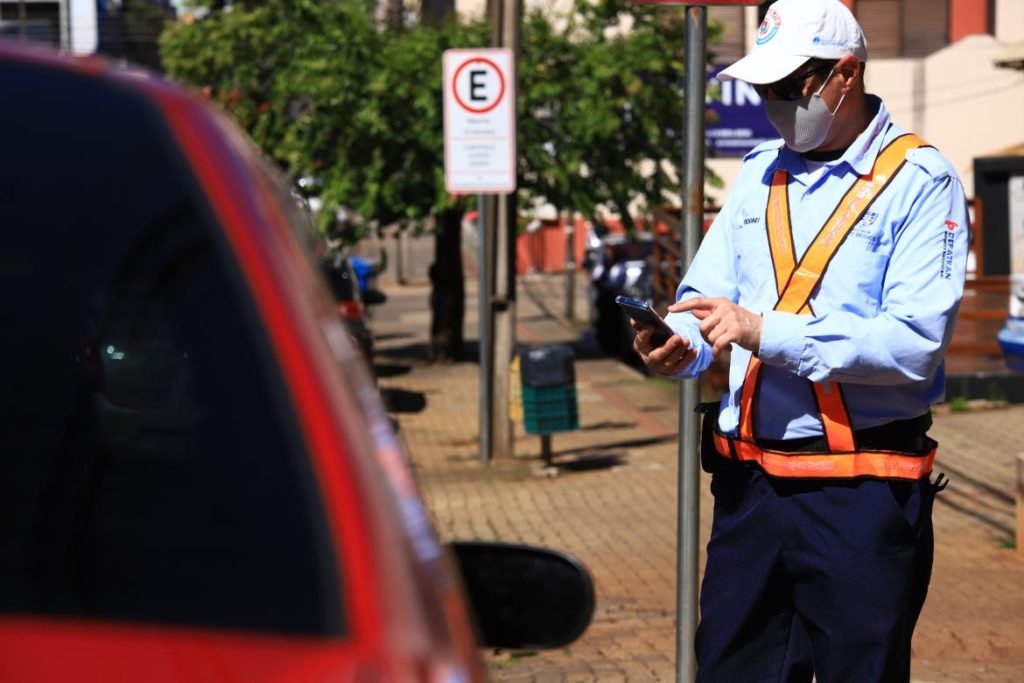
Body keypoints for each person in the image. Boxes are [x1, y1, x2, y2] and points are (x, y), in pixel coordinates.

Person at [631, 0, 969, 680]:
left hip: (858, 493)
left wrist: (764, 331)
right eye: (764, 90)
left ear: (845, 74)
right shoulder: (759, 171)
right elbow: (706, 302)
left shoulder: (921, 181)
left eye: (790, 88)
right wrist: (682, 343)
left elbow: (912, 344)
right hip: (749, 490)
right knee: (732, 668)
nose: (774, 105)